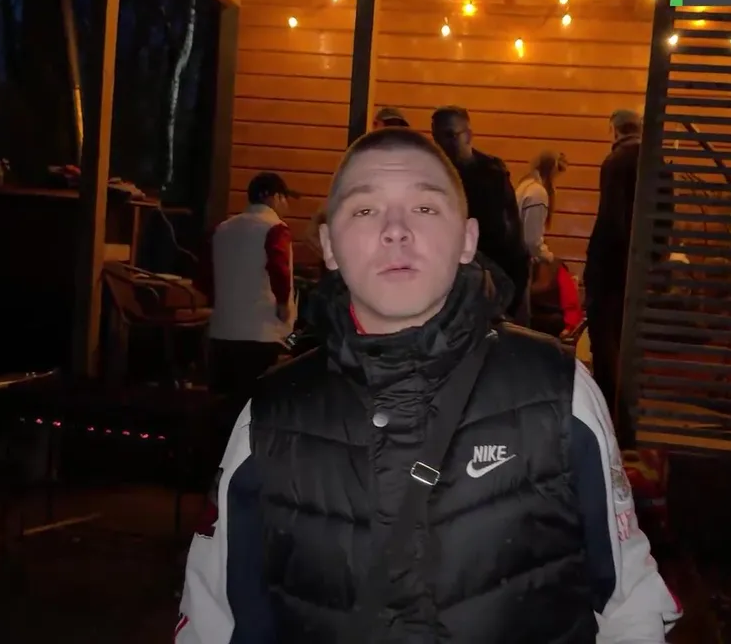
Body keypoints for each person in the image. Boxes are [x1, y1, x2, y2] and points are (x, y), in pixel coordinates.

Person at [176, 127, 681, 643]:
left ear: (468, 239)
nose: (395, 230)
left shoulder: (557, 388)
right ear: (328, 245)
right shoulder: (271, 414)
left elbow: (629, 604)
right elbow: (214, 622)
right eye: (365, 209)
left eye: (424, 208)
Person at [205, 172, 300, 408]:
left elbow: (206, 271)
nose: (286, 205)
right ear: (273, 196)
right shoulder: (274, 228)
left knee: (227, 402)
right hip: (260, 332)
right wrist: (283, 305)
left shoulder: (222, 228)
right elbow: (279, 268)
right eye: (284, 198)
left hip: (222, 329)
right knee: (255, 402)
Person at [430, 105, 530, 320]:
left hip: (495, 277)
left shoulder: (491, 175)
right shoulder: (434, 174)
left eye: (451, 135)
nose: (443, 144)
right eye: (438, 137)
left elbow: (508, 235)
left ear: (468, 135)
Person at [585, 109, 643, 426]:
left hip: (611, 268)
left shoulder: (615, 162)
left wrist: (599, 266)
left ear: (614, 129)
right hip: (639, 268)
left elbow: (610, 219)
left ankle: (609, 417)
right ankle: (630, 417)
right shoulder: (656, 163)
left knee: (606, 343)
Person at [516, 151, 582, 338]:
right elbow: (532, 241)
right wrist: (550, 258)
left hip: (514, 258)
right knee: (523, 321)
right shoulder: (538, 193)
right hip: (522, 261)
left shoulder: (524, 186)